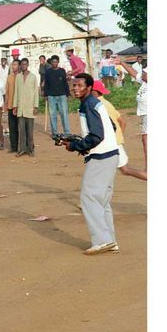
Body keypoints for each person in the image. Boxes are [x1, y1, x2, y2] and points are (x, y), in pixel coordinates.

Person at [58, 73, 120, 255]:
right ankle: (110, 241)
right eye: (74, 85)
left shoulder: (89, 105)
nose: (75, 88)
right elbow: (111, 127)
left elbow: (96, 136)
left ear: (89, 88)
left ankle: (102, 240)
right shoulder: (95, 104)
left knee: (89, 198)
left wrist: (76, 145)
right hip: (111, 154)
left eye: (79, 85)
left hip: (101, 156)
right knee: (102, 201)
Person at [91, 81, 147, 180]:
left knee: (125, 169)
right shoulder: (105, 103)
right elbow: (122, 121)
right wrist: (118, 137)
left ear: (93, 91)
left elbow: (121, 122)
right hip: (112, 142)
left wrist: (115, 139)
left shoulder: (99, 105)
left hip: (112, 143)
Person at [119, 57, 147, 170]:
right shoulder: (145, 82)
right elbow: (134, 73)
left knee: (146, 141)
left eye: (145, 73)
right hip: (145, 116)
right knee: (145, 141)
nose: (143, 74)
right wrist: (121, 62)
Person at [13, 58, 39, 157]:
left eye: (25, 64)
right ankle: (22, 149)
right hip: (21, 108)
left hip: (30, 107)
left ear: (27, 65)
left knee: (30, 131)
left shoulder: (33, 77)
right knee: (22, 131)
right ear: (20, 66)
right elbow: (16, 92)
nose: (23, 66)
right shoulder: (18, 77)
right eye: (22, 64)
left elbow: (36, 92)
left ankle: (30, 150)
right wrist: (15, 106)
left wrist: (35, 106)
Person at [43, 54, 71, 135]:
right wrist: (45, 95)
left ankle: (67, 132)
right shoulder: (48, 72)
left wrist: (68, 94)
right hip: (51, 96)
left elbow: (65, 83)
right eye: (53, 62)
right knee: (52, 115)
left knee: (64, 114)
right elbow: (46, 84)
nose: (54, 63)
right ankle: (54, 133)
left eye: (56, 62)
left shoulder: (62, 71)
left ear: (58, 62)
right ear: (51, 63)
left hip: (62, 95)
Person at [4, 59, 20, 153]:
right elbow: (7, 91)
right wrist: (5, 104)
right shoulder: (9, 77)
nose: (13, 66)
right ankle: (13, 146)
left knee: (20, 127)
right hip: (10, 105)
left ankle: (21, 146)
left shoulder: (21, 77)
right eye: (12, 65)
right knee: (12, 127)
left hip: (19, 106)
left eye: (15, 64)